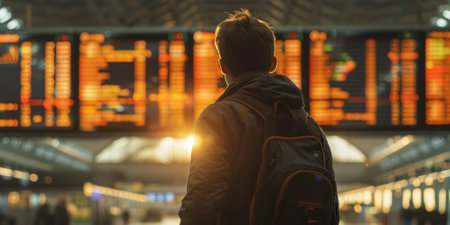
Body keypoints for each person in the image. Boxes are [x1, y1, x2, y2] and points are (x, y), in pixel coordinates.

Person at [179, 9, 339, 225]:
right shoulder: (309, 125)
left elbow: (202, 203)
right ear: (273, 64)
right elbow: (330, 207)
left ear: (223, 66)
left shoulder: (219, 117)